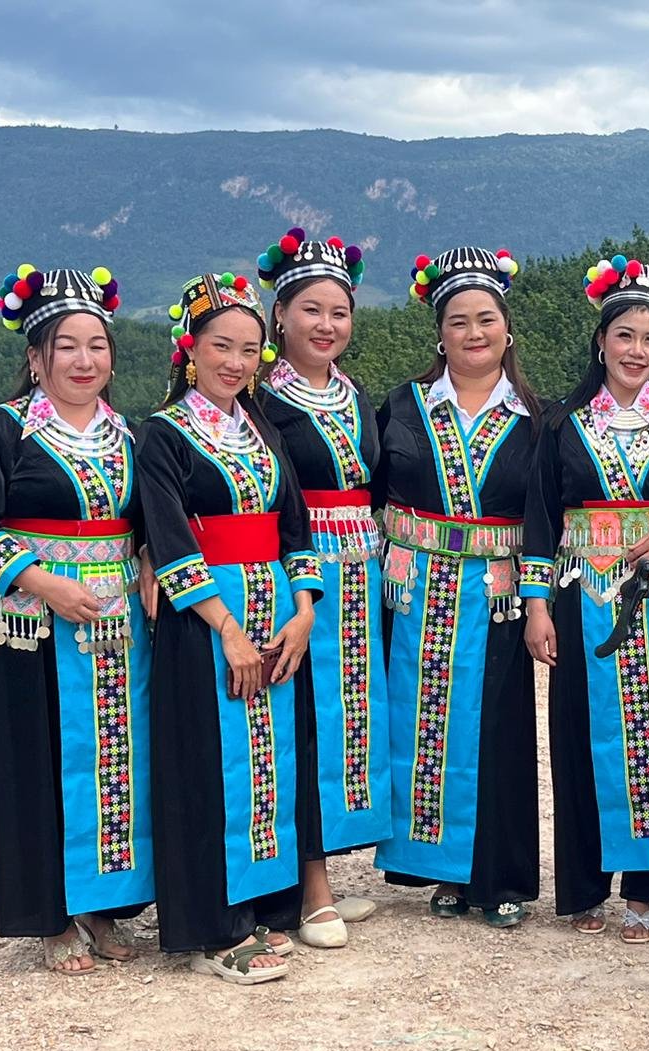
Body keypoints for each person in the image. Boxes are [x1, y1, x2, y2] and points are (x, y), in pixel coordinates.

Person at [0, 263, 152, 974]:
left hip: (116, 627)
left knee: (114, 760)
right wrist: (44, 583)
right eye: (66, 346)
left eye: (97, 345)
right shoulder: (4, 431)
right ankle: (51, 915)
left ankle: (102, 902)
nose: (83, 360)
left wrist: (147, 565)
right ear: (36, 357)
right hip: (32, 624)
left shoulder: (129, 436)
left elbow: (146, 523)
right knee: (37, 760)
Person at [522, 254, 649, 943]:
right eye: (625, 335)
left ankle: (648, 888)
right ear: (601, 341)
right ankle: (583, 887)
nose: (637, 350)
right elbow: (541, 519)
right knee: (581, 735)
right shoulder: (561, 423)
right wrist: (536, 606)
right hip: (583, 597)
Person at [139, 271, 319, 985]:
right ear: (190, 349)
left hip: (275, 610)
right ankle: (214, 928)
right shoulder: (162, 434)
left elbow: (293, 527)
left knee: (271, 762)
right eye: (222, 346)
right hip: (205, 621)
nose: (237, 362)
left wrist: (304, 612)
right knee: (210, 767)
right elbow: (170, 539)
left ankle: (264, 904)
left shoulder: (261, 427)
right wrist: (226, 630)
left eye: (250, 349)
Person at [374, 247, 541, 929]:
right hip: (413, 589)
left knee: (495, 730)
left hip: (496, 592)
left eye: (486, 319)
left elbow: (549, 516)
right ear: (439, 334)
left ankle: (498, 876)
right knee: (418, 725)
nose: (474, 333)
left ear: (507, 328)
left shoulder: (538, 418)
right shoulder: (401, 405)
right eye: (458, 321)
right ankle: (441, 869)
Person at [255, 228, 389, 948]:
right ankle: (308, 888)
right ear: (279, 315)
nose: (326, 325)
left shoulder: (355, 394)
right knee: (300, 718)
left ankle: (323, 869)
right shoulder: (259, 402)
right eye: (311, 309)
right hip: (295, 574)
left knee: (343, 720)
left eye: (339, 312)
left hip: (360, 571)